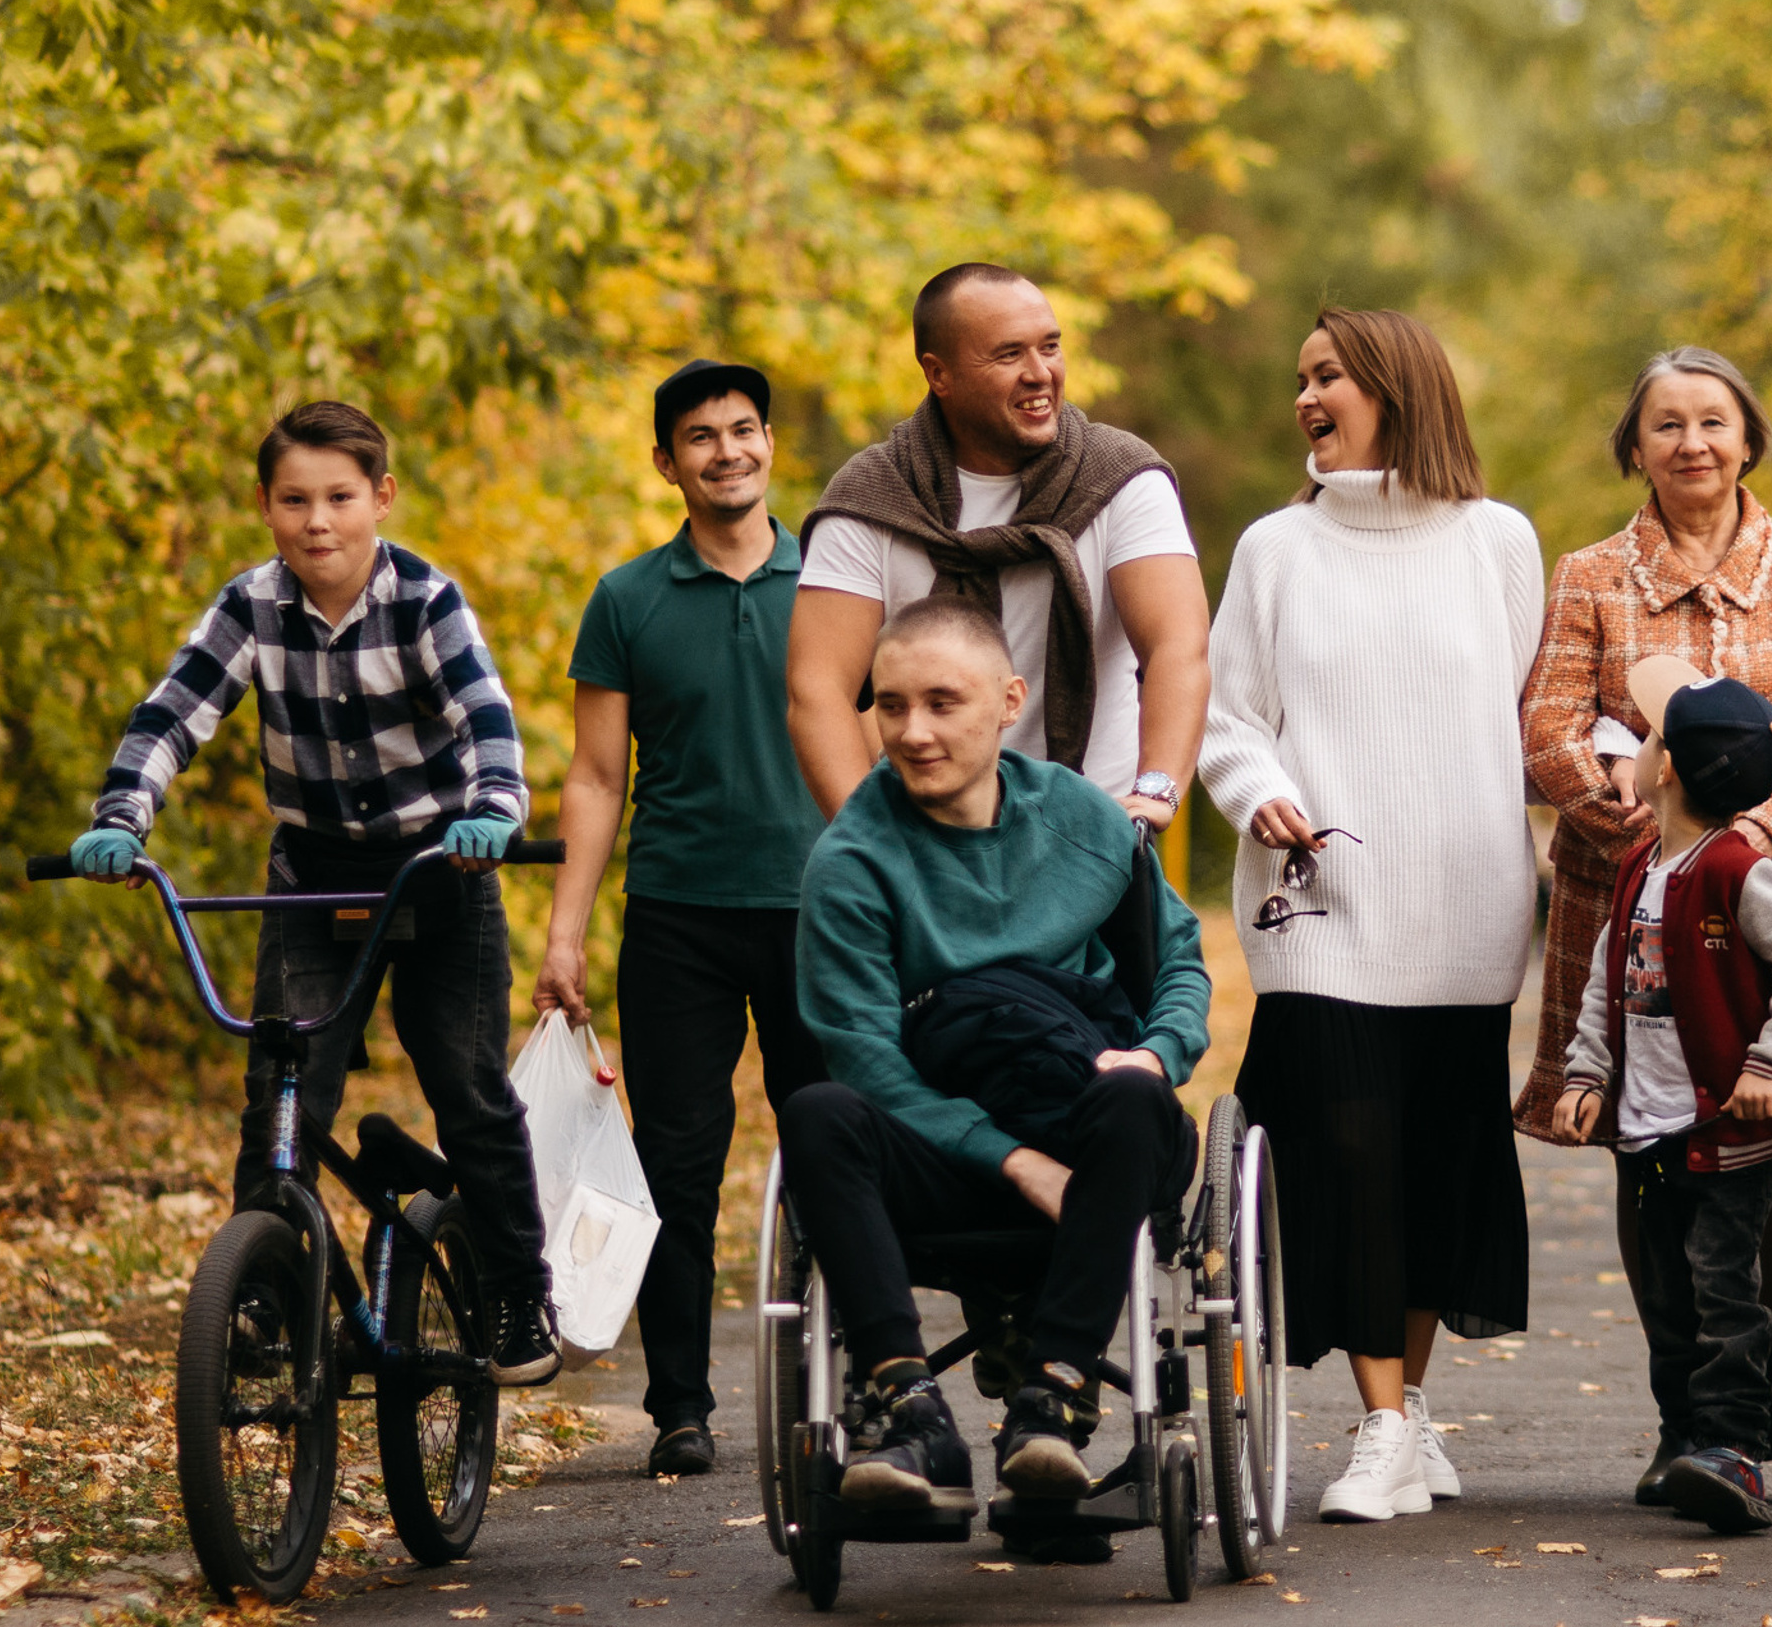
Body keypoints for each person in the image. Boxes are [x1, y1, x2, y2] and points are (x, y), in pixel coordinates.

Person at [71, 398, 559, 1385]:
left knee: (468, 1088)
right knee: (280, 1092)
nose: (317, 521)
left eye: (339, 497)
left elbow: (484, 718)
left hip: (441, 869)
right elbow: (172, 712)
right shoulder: (250, 604)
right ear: (265, 504)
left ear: (379, 497)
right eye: (294, 500)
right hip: (313, 881)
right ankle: (261, 1299)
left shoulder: (425, 599)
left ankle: (518, 1293)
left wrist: (494, 808)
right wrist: (122, 816)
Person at [1199, 308, 1543, 1522]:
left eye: (1328, 373)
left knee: (1437, 1167)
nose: (1306, 395)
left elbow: (1522, 713)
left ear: (1395, 387)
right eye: (1298, 376)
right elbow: (1227, 718)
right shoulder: (1274, 550)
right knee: (1347, 1159)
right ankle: (1383, 1423)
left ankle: (1410, 1412)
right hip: (1323, 907)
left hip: (1462, 908)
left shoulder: (1494, 541)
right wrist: (1264, 793)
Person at [1521, 346, 1772, 1505]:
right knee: (1652, 1138)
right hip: (1628, 881)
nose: (1691, 443)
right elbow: (1545, 726)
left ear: (1747, 438)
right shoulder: (1589, 574)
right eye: (1666, 424)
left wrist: (1752, 837)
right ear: (1636, 447)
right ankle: (1684, 1407)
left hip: (1771, 885)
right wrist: (1625, 813)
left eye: (1712, 421)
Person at [778, 596, 1211, 1510]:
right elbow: (865, 1058)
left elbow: (1177, 959)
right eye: (891, 706)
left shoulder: (1083, 819)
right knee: (818, 1112)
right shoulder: (853, 860)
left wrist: (1161, 1053)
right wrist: (1013, 1162)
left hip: (1100, 1127)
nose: (913, 731)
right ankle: (910, 1412)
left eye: (943, 702)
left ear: (1009, 701)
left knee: (1134, 1100)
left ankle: (1050, 1400)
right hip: (947, 1148)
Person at [531, 360, 830, 1477]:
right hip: (675, 918)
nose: (726, 451)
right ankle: (681, 1406)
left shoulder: (836, 580)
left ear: (767, 445)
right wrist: (564, 931)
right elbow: (597, 777)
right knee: (678, 1166)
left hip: (821, 912)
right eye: (699, 436)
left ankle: (844, 1372)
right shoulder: (627, 598)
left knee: (834, 1143)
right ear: (668, 461)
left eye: (743, 430)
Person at [785, 262, 1208, 831]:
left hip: (1096, 836)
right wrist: (874, 844)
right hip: (923, 842)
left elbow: (1177, 647)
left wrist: (1156, 792)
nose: (1040, 373)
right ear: (939, 374)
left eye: (1050, 347)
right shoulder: (871, 499)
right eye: (1009, 355)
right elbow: (818, 689)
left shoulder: (1122, 480)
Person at [1556, 656, 1772, 1536]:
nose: (1632, 745)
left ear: (1666, 767)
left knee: (1725, 1293)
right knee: (1670, 1296)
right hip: (1647, 1131)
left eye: (1648, 736)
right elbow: (1607, 982)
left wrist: (1768, 1066)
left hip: (1727, 1132)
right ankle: (1683, 1436)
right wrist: (1589, 1075)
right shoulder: (1642, 867)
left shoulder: (1739, 871)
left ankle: (1734, 1451)